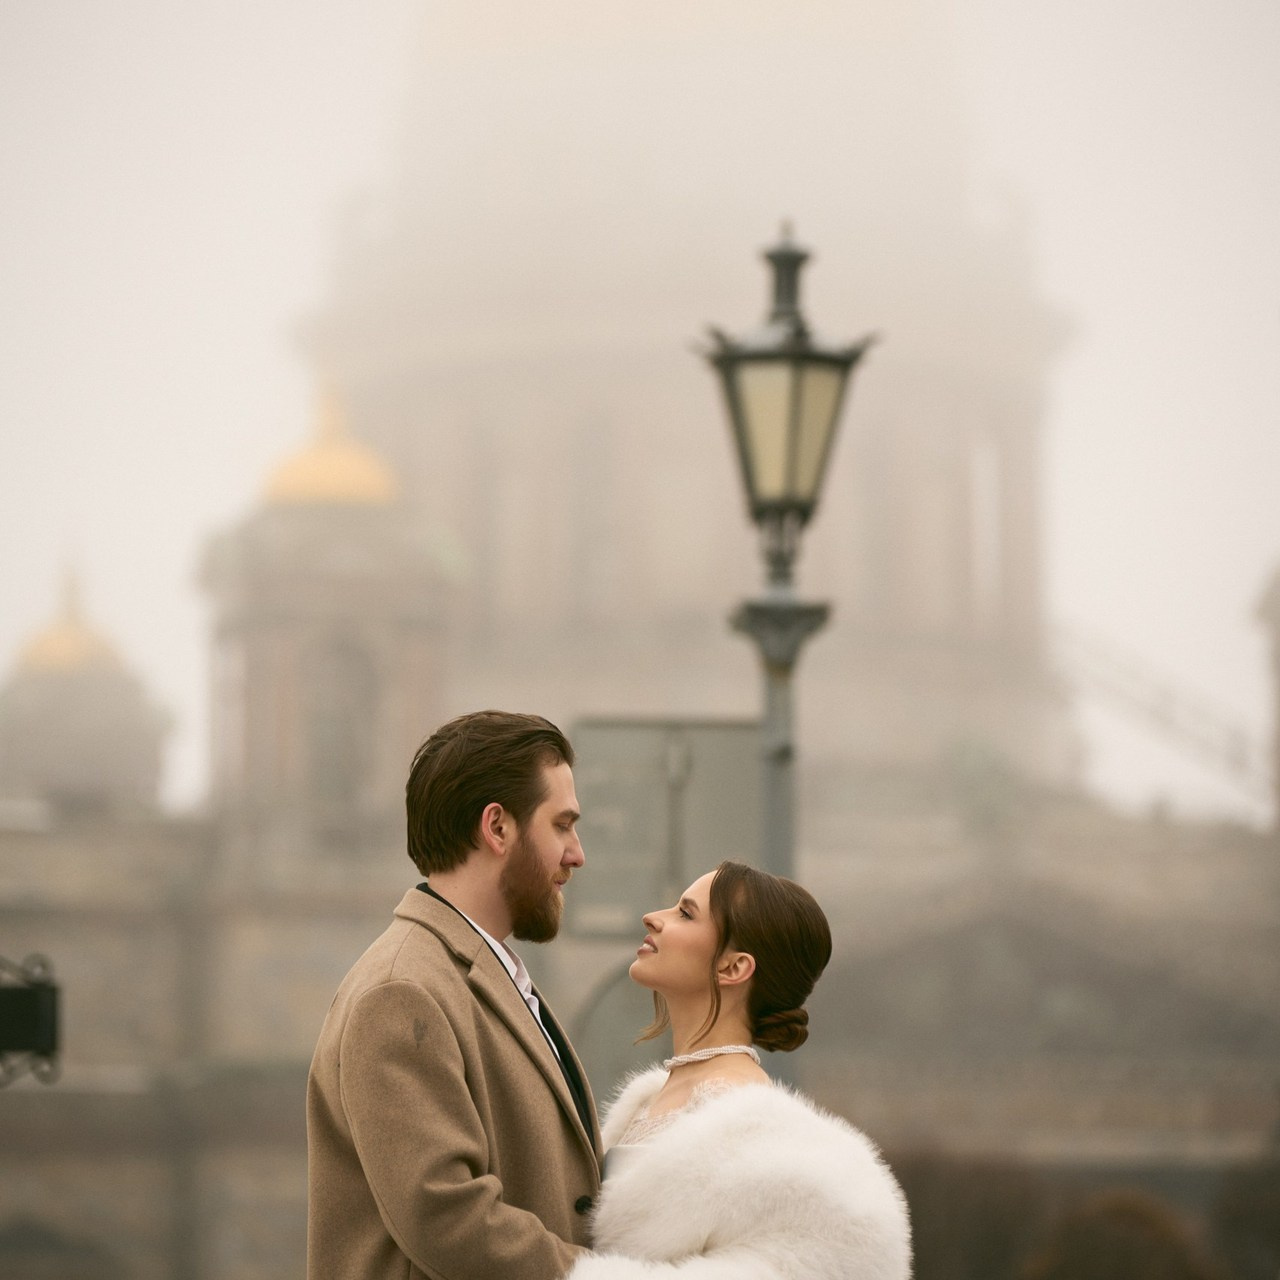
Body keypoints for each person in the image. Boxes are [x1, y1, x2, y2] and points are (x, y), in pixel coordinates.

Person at [307, 710, 602, 1280]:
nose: (577, 854)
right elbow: (447, 1219)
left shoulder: (471, 972)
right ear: (497, 828)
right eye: (562, 825)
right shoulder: (401, 993)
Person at [568, 860, 912, 1280]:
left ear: (733, 967)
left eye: (685, 913)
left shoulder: (745, 1122)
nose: (652, 918)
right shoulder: (648, 1102)